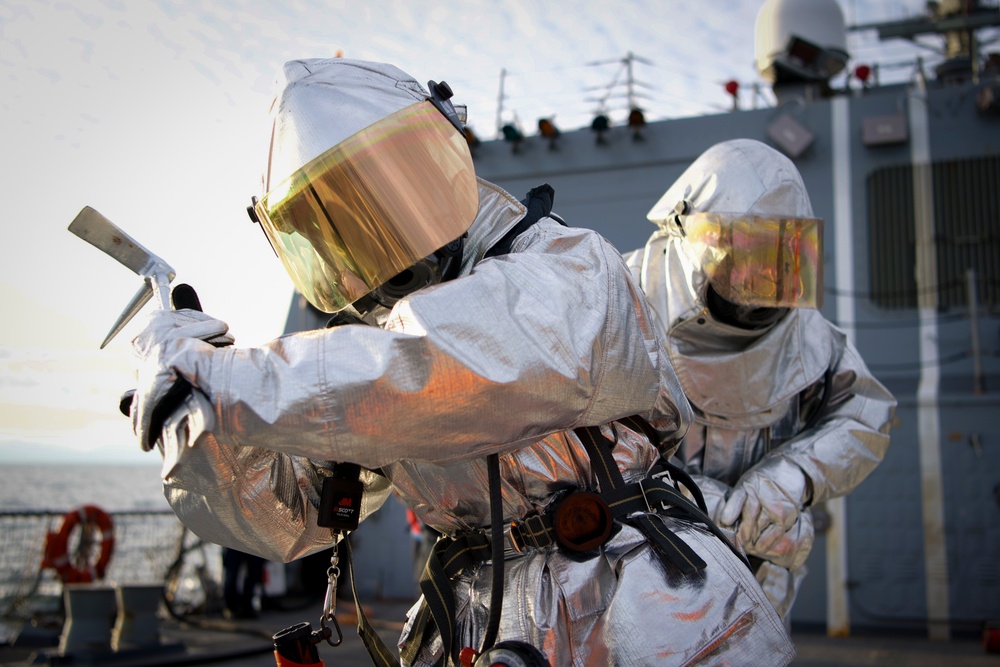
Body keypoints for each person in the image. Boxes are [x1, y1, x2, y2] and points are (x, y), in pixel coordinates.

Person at [128, 59, 794, 666]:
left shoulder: (571, 270)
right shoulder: (371, 354)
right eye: (336, 225)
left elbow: (447, 371)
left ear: (435, 159)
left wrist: (222, 380)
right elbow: (295, 515)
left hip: (649, 615)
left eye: (380, 197)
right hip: (475, 621)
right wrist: (197, 428)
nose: (371, 240)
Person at [623, 138, 896, 623]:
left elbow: (866, 413)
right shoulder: (621, 302)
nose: (761, 285)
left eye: (780, 261)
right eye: (744, 258)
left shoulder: (811, 337)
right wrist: (677, 495)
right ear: (685, 231)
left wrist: (792, 476)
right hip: (636, 570)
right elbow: (566, 430)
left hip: (760, 577)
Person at [221, 546, 265, 619]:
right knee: (232, 573)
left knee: (253, 572)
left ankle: (246, 606)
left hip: (253, 540)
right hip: (235, 540)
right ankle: (232, 608)